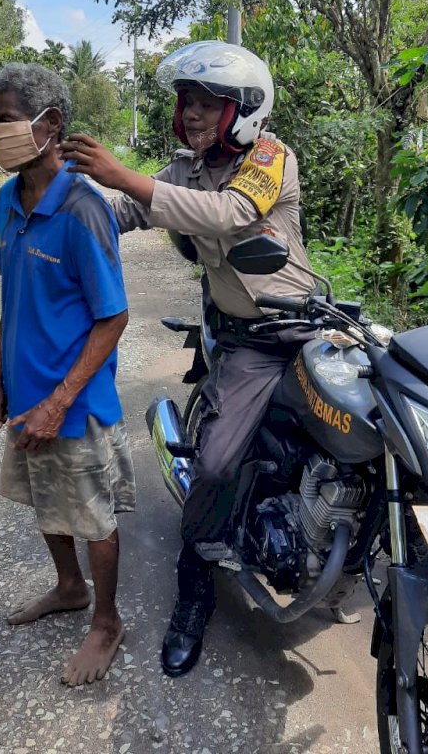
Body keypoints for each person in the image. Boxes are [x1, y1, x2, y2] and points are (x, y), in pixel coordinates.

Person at [60, 40, 314, 678]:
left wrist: (123, 174)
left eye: (207, 104)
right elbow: (128, 208)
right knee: (219, 461)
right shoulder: (182, 172)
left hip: (307, 325)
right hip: (248, 341)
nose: (193, 115)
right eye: (186, 103)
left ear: (243, 110)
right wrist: (63, 211)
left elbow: (232, 215)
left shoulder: (270, 156)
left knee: (370, 426)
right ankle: (194, 590)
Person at [0, 63, 134, 688]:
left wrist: (59, 400)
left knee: (92, 515)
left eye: (6, 121)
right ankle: (69, 588)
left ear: (51, 126)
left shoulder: (82, 208)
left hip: (76, 403)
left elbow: (113, 317)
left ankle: (106, 620)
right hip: (25, 395)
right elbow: (12, 297)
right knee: (46, 502)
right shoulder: (5, 202)